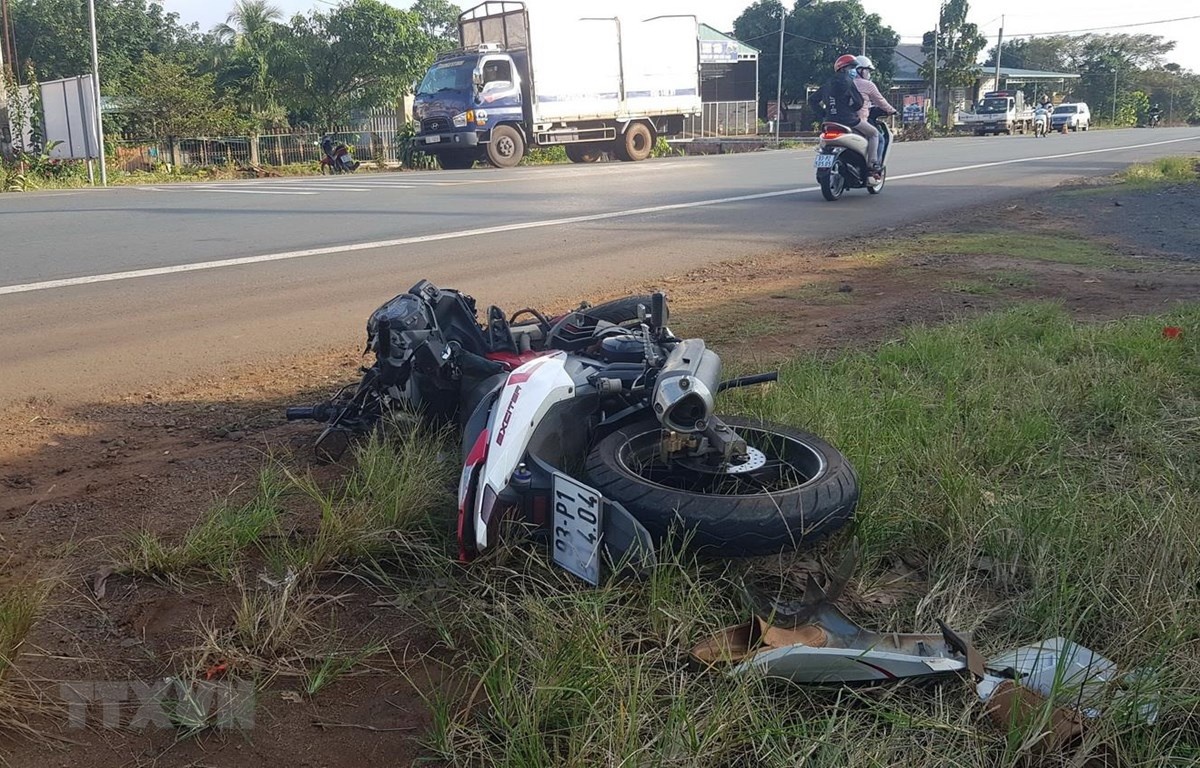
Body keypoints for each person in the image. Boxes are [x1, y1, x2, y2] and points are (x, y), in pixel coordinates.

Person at [808, 54, 880, 176]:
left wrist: (823, 114)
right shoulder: (849, 82)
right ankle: (872, 165)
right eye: (851, 67)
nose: (853, 71)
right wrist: (850, 109)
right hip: (849, 120)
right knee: (874, 134)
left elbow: (812, 100)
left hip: (829, 121)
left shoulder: (827, 84)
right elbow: (859, 102)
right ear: (844, 69)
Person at [851, 55, 896, 168]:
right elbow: (880, 101)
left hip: (838, 119)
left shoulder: (844, 83)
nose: (868, 74)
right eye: (867, 70)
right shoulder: (867, 85)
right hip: (858, 121)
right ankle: (873, 165)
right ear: (860, 70)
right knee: (878, 137)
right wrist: (892, 111)